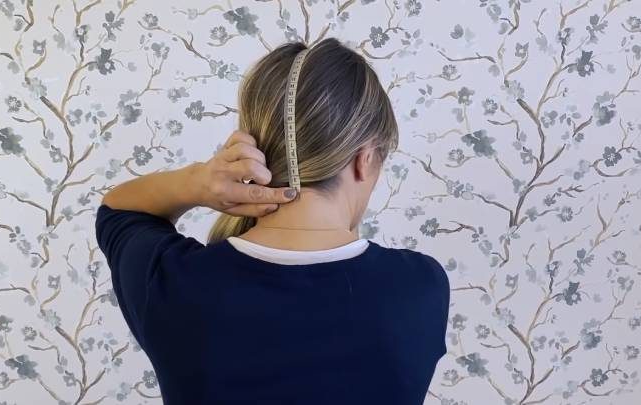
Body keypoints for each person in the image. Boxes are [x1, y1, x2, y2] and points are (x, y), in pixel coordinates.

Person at [95, 37, 450, 405]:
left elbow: (118, 210)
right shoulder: (421, 288)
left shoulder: (173, 286)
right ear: (366, 158)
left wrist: (198, 182)